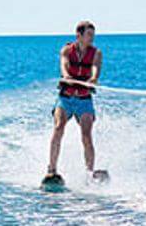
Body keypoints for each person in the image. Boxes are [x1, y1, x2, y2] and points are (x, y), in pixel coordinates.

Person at [46, 20, 103, 182]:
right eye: (89, 34)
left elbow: (95, 68)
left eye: (93, 34)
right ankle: (51, 169)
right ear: (79, 35)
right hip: (65, 98)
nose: (92, 38)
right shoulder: (66, 50)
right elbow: (64, 65)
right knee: (58, 128)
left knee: (86, 134)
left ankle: (90, 173)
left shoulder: (96, 53)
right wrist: (66, 75)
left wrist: (93, 78)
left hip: (84, 99)